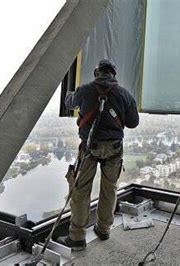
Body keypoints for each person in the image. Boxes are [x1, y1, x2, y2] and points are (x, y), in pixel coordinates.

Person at [57, 59, 139, 251]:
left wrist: (71, 94)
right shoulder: (124, 94)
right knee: (109, 189)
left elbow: (69, 103)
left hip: (89, 148)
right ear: (113, 74)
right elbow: (133, 122)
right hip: (114, 149)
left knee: (80, 190)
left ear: (97, 73)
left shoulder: (85, 90)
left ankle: (77, 237)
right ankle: (103, 229)